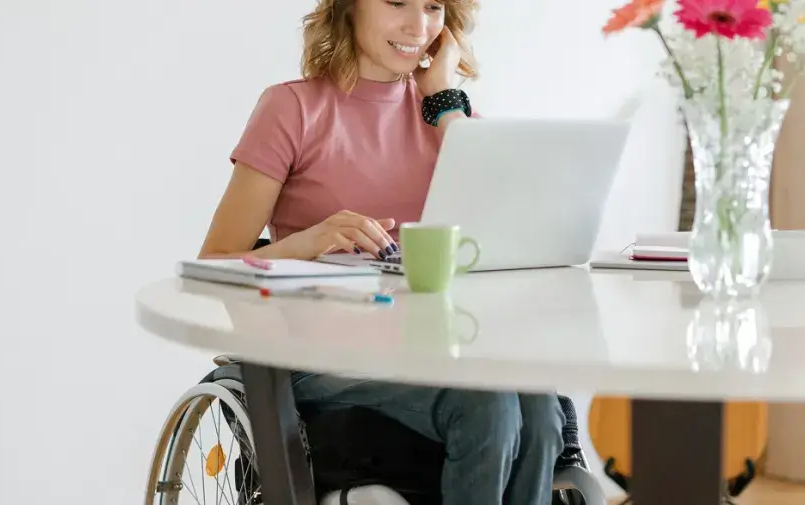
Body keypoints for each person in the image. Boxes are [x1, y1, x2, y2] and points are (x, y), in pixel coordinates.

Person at [196, 0, 566, 504]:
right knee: (488, 403)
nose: (418, 26)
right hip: (319, 360)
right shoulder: (292, 108)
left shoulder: (450, 119)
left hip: (433, 351)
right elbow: (213, 262)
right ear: (349, 8)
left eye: (433, 6)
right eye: (396, 2)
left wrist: (444, 102)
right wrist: (307, 243)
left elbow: (510, 238)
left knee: (538, 403)